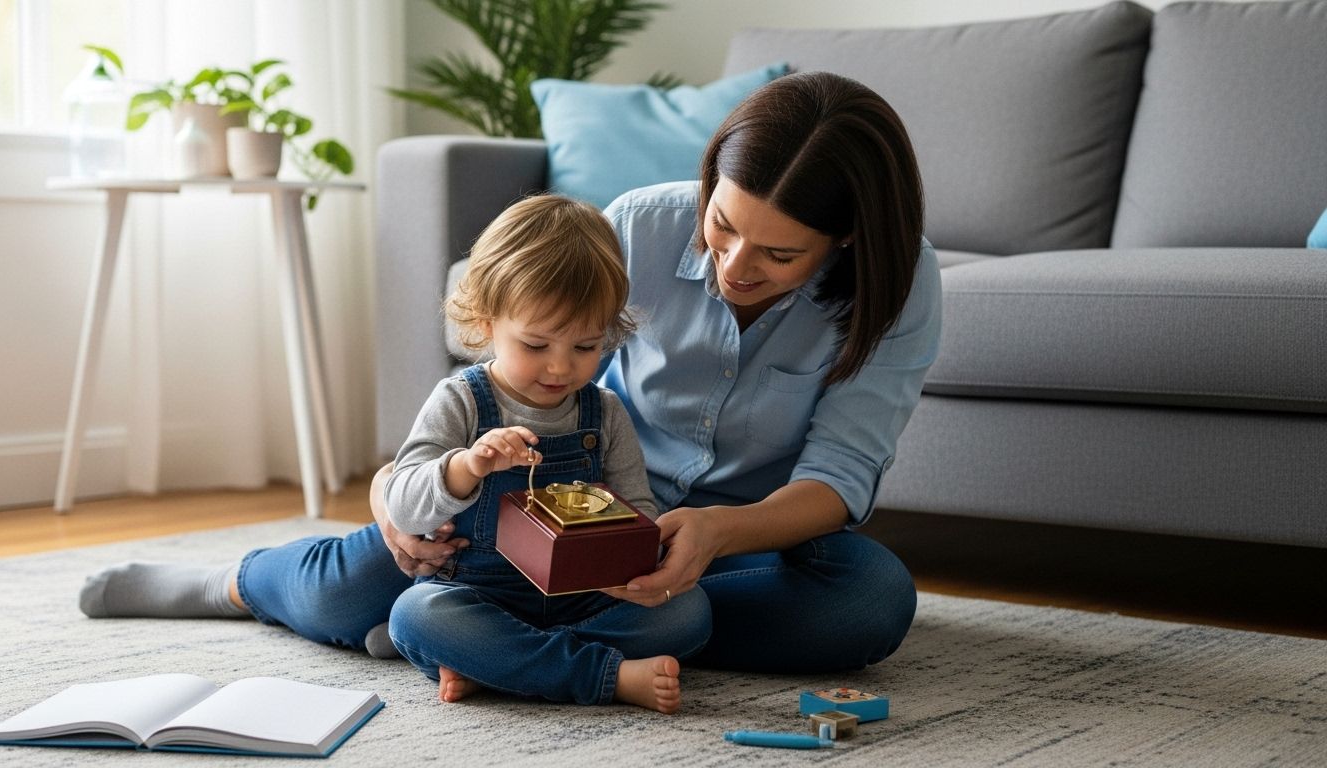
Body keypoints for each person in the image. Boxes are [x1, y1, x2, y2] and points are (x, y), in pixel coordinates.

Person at [78, 70, 938, 679]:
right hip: (531, 521)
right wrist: (395, 491)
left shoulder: (897, 284)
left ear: (847, 242)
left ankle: (490, 645)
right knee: (383, 579)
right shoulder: (637, 225)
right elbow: (504, 358)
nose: (732, 266)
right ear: (710, 181)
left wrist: (711, 534)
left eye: (779, 254)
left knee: (866, 601)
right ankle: (243, 583)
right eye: (721, 225)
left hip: (725, 545)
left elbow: (841, 474)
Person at [81, 194, 710, 713]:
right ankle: (589, 675)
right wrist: (468, 466)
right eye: (538, 342)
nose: (560, 366)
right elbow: (406, 500)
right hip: (467, 589)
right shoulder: (463, 400)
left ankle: (494, 662)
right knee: (415, 614)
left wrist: (628, 552)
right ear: (486, 320)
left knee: (689, 615)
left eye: (585, 347)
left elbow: (639, 510)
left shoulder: (605, 413)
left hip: (575, 601)